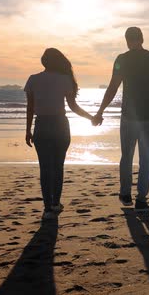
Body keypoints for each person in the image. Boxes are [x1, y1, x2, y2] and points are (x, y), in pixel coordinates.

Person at [92, 27, 149, 212]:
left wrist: (100, 111)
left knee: (126, 157)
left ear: (127, 40)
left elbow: (112, 87)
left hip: (129, 117)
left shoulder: (122, 60)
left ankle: (125, 194)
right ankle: (141, 200)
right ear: (142, 39)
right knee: (146, 159)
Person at [25, 48, 94, 220]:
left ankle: (47, 208)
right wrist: (90, 117)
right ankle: (56, 203)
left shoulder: (33, 80)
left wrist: (27, 130)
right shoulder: (64, 79)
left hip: (41, 125)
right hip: (60, 125)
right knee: (58, 166)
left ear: (44, 62)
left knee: (45, 168)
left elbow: (30, 108)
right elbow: (73, 107)